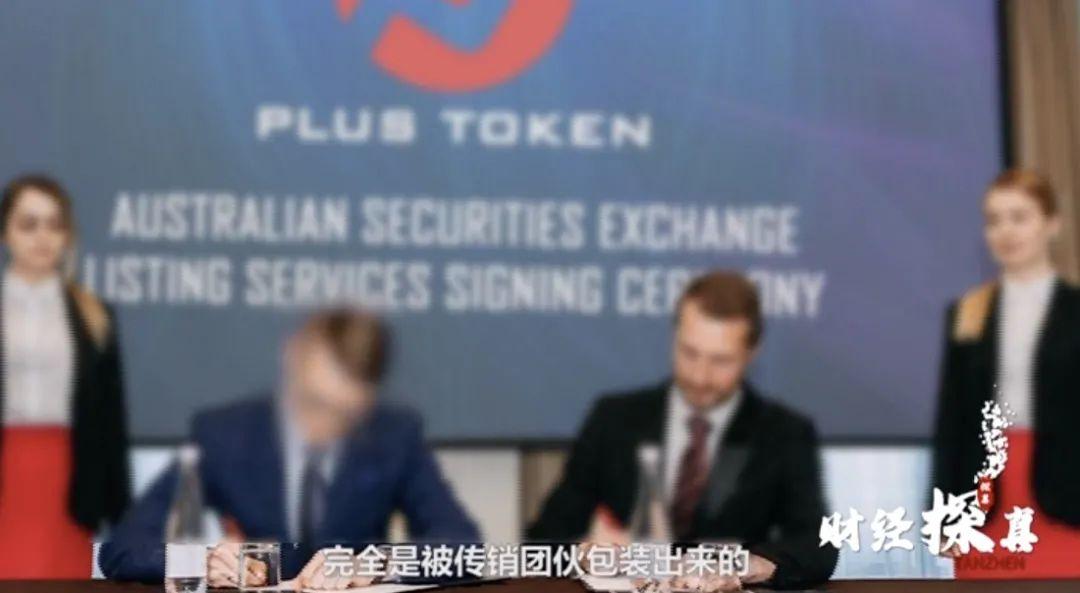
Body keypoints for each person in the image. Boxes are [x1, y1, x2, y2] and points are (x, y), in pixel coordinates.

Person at [100, 307, 480, 589]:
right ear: (291, 358)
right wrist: (202, 560)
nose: (322, 425)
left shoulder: (393, 435)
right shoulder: (223, 435)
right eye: (314, 403)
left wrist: (378, 563)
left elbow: (463, 546)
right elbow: (122, 548)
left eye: (342, 413)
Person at [528, 270, 836, 590]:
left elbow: (820, 543)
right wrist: (583, 554)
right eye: (690, 353)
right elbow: (542, 540)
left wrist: (753, 566)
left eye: (721, 361)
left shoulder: (784, 433)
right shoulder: (614, 419)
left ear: (751, 353)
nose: (700, 377)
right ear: (674, 337)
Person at [931, 169, 1080, 579]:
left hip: (1066, 493)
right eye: (994, 220)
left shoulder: (1076, 311)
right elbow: (952, 422)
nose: (1005, 231)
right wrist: (944, 516)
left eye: (1019, 217)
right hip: (984, 495)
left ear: (1052, 224)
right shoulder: (968, 312)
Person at [0, 175, 130, 578]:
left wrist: (124, 518)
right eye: (29, 224)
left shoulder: (94, 314)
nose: (42, 237)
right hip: (8, 468)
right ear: (5, 232)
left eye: (54, 225)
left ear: (68, 235)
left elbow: (110, 419)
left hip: (71, 478)